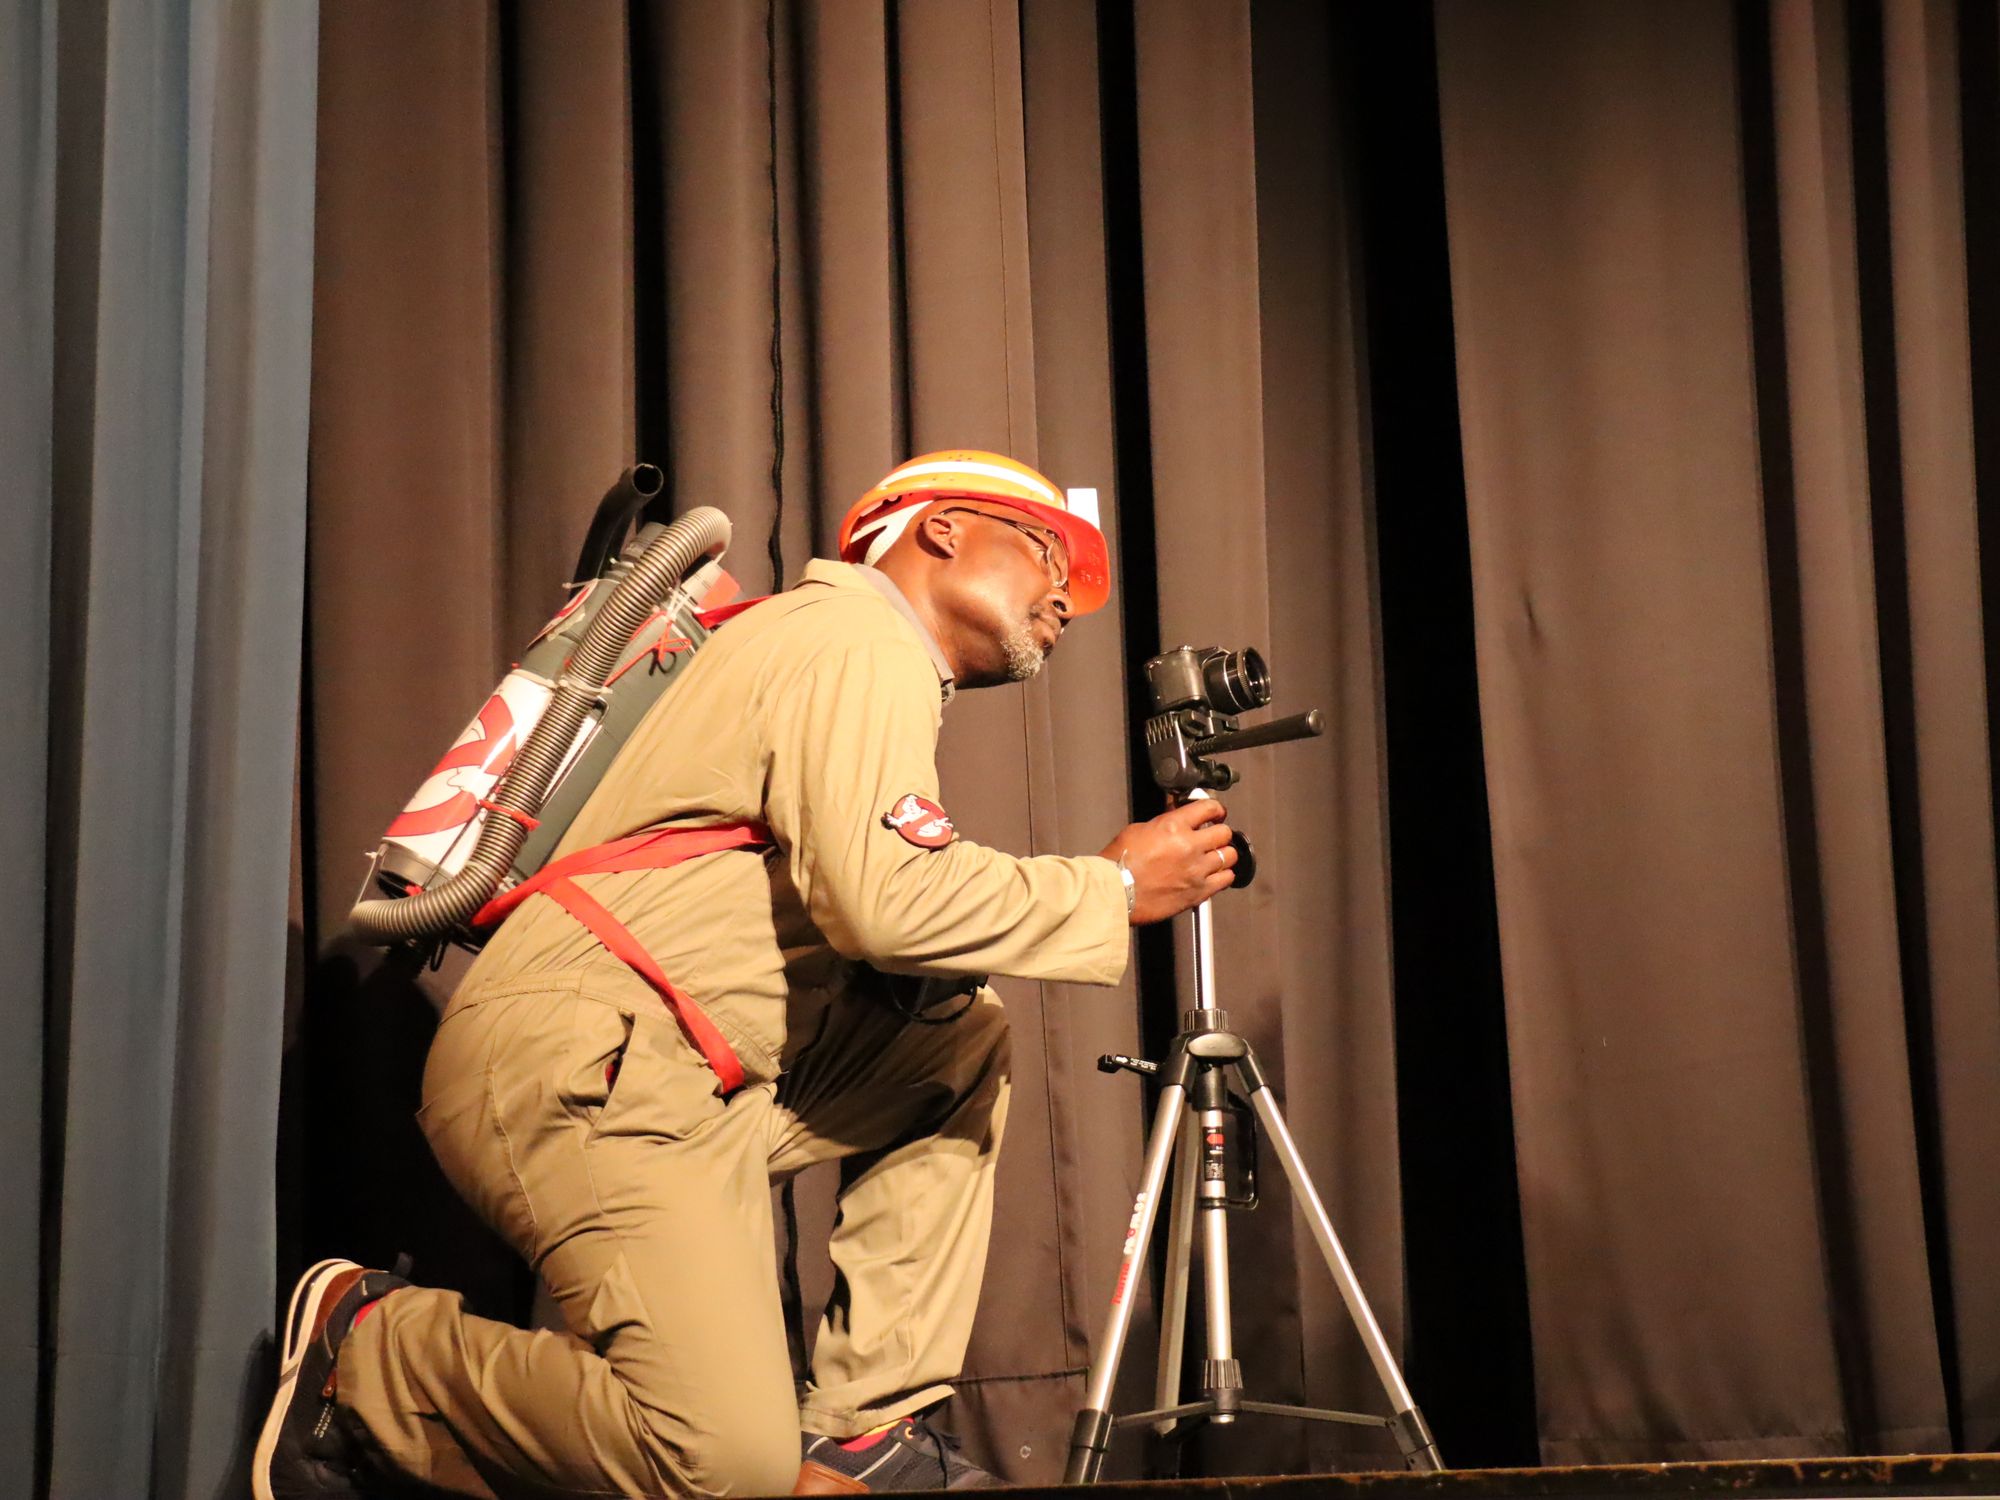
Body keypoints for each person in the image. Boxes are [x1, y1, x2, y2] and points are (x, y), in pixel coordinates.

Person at [258, 451, 1239, 1499]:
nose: (1065, 599)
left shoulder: (831, 648)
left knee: (950, 1034)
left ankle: (861, 1431)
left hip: (678, 1072)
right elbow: (888, 901)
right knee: (723, 1465)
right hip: (592, 1056)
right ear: (943, 528)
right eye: (1048, 553)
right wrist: (1108, 887)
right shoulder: (853, 636)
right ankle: (370, 1350)